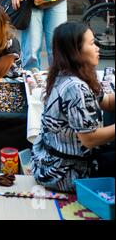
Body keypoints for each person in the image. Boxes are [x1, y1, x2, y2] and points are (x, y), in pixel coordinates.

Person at [30, 22, 115, 192]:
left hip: (52, 160)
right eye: (92, 43)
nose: (97, 48)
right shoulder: (75, 87)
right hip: (65, 172)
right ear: (76, 51)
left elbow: (106, 101)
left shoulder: (68, 73)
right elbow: (89, 139)